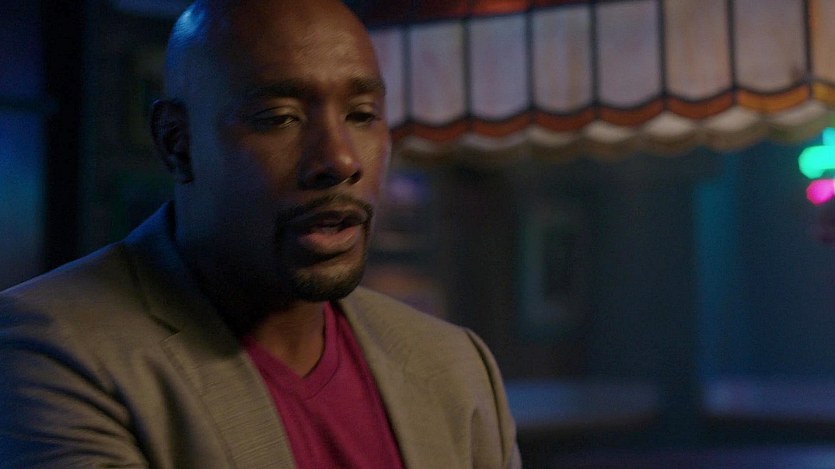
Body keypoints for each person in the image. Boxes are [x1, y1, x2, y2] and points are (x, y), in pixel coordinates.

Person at [0, 0, 521, 467]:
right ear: (177, 143)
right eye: (279, 118)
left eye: (362, 115)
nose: (339, 160)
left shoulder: (454, 364)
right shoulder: (53, 347)